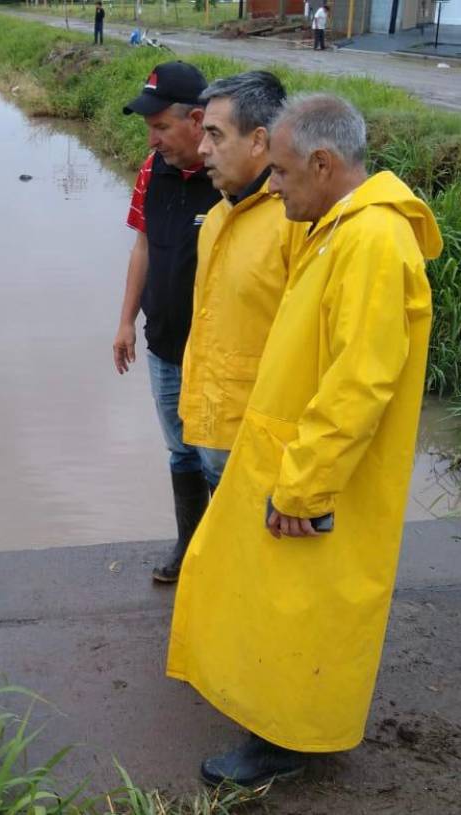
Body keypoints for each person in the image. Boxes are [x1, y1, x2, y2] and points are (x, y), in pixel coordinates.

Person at [167, 94, 442, 787]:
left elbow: (359, 382)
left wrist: (304, 484)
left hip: (319, 474)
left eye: (283, 173)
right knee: (283, 602)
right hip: (294, 456)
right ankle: (283, 724)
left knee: (300, 610)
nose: (276, 185)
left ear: (323, 164)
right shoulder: (338, 225)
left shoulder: (374, 242)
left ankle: (284, 742)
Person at [178, 71, 302, 585]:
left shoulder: (294, 223)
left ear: (259, 141)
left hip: (261, 447)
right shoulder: (219, 218)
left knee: (265, 572)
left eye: (215, 135)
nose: (201, 147)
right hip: (212, 429)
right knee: (231, 564)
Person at [114, 62, 221, 583]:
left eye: (161, 127)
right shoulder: (149, 170)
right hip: (163, 345)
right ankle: (189, 548)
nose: (153, 140)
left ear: (197, 120)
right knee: (180, 450)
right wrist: (125, 322)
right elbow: (142, 247)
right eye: (149, 129)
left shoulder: (234, 177)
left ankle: (227, 560)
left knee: (219, 459)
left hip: (219, 353)